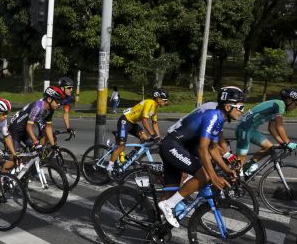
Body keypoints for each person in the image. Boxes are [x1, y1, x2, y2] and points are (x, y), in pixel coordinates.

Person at [157, 86, 245, 228]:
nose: (242, 111)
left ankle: (158, 228)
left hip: (177, 146)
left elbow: (214, 148)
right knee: (205, 176)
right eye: (241, 107)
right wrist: (213, 176)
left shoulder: (219, 120)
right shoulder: (213, 116)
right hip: (172, 145)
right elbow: (203, 148)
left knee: (173, 189)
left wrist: (226, 170)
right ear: (228, 107)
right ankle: (168, 205)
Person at [235, 87, 297, 176]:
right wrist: (288, 142)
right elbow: (279, 126)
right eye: (296, 104)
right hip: (244, 129)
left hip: (250, 129)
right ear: (289, 100)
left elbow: (271, 128)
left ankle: (248, 166)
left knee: (269, 148)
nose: (295, 107)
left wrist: (282, 142)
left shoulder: (276, 106)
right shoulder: (280, 105)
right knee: (239, 163)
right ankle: (233, 184)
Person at [107, 88, 169, 171]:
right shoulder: (150, 103)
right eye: (165, 100)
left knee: (144, 138)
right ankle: (109, 167)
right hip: (124, 121)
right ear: (158, 99)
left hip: (132, 123)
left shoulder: (155, 108)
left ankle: (131, 154)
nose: (166, 103)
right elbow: (144, 121)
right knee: (121, 147)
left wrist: (159, 137)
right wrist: (153, 135)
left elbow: (154, 123)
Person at [9, 86, 64, 152]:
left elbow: (48, 127)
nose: (59, 104)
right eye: (57, 101)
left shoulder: (51, 110)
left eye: (60, 102)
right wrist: (36, 142)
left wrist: (53, 145)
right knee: (15, 159)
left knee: (35, 152)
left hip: (25, 129)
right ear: (49, 99)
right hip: (16, 128)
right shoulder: (37, 107)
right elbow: (29, 127)